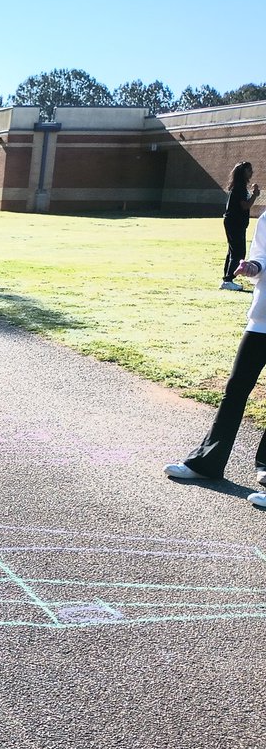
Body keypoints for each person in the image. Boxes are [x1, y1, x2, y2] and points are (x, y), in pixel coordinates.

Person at [165, 208, 266, 507]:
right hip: (261, 321)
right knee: (234, 391)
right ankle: (206, 463)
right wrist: (252, 268)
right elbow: (261, 257)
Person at [221, 162, 259, 291]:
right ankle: (228, 280)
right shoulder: (239, 187)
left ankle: (227, 279)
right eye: (249, 170)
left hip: (234, 222)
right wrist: (255, 195)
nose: (251, 173)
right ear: (243, 173)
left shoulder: (238, 186)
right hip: (235, 222)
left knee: (232, 251)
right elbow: (245, 206)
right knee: (238, 252)